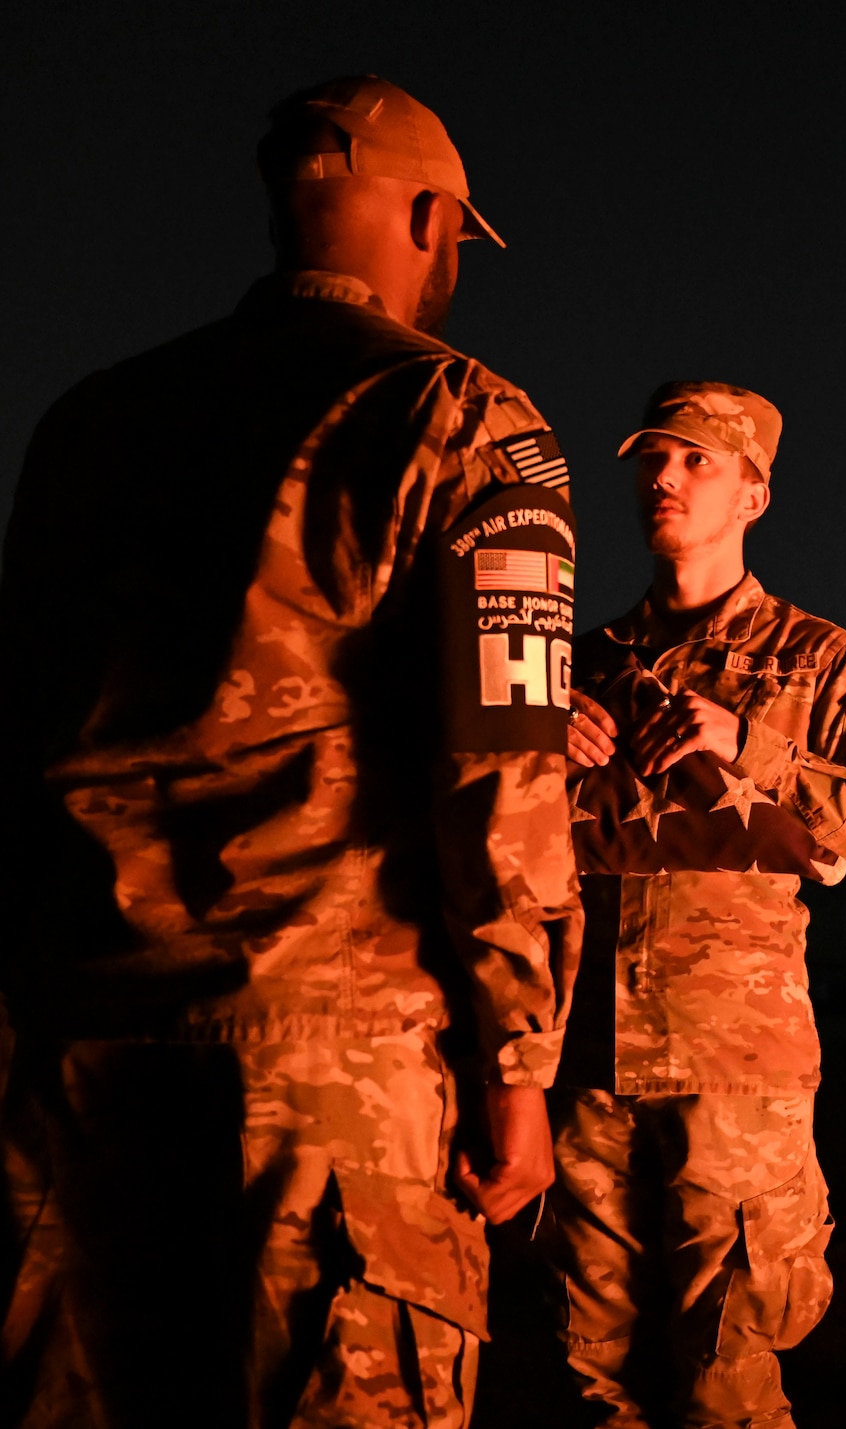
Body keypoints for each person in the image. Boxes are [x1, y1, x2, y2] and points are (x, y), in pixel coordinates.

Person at [0, 75, 582, 1426]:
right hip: (323, 1078)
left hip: (67, 1055)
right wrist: (518, 1064)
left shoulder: (87, 426)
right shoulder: (461, 419)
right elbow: (502, 771)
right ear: (432, 218)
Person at [550, 381, 846, 1426]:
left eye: (695, 461)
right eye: (650, 459)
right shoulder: (579, 667)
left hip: (735, 1079)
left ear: (753, 494)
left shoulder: (818, 660)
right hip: (587, 1070)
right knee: (593, 1385)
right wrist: (523, 749)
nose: (662, 478)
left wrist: (749, 743)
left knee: (726, 1388)